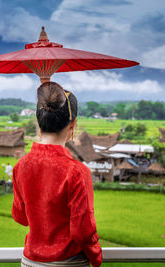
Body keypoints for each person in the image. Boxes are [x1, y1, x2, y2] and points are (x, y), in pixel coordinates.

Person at [12, 82, 102, 267]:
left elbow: (21, 217)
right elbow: (83, 231)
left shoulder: (21, 166)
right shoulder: (77, 171)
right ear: (73, 124)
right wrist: (96, 257)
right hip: (68, 263)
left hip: (29, 262)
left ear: (39, 122)